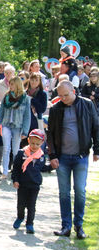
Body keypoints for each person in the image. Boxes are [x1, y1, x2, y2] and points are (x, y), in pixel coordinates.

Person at [47, 80, 99, 239]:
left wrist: (97, 150)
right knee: (64, 193)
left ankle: (79, 226)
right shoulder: (56, 109)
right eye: (60, 95)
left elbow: (96, 127)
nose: (63, 98)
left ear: (74, 91)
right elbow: (51, 134)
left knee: (80, 192)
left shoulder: (87, 105)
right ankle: (66, 226)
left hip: (81, 156)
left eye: (66, 95)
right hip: (62, 157)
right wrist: (52, 156)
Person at [0, 77, 31, 179]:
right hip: (6, 125)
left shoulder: (25, 98)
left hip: (18, 126)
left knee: (15, 150)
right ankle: (5, 172)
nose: (11, 86)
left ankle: (15, 171)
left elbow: (27, 116)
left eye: (13, 84)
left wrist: (25, 130)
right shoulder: (7, 97)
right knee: (6, 148)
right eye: (10, 84)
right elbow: (0, 113)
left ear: (18, 85)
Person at [11, 129, 46, 234]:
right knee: (21, 204)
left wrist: (52, 167)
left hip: (34, 185)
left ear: (42, 143)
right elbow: (16, 168)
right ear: (28, 140)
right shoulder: (22, 153)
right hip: (22, 184)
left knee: (31, 205)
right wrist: (15, 180)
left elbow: (42, 168)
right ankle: (20, 217)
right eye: (32, 143)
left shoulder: (41, 156)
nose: (34, 146)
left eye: (37, 144)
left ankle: (30, 223)